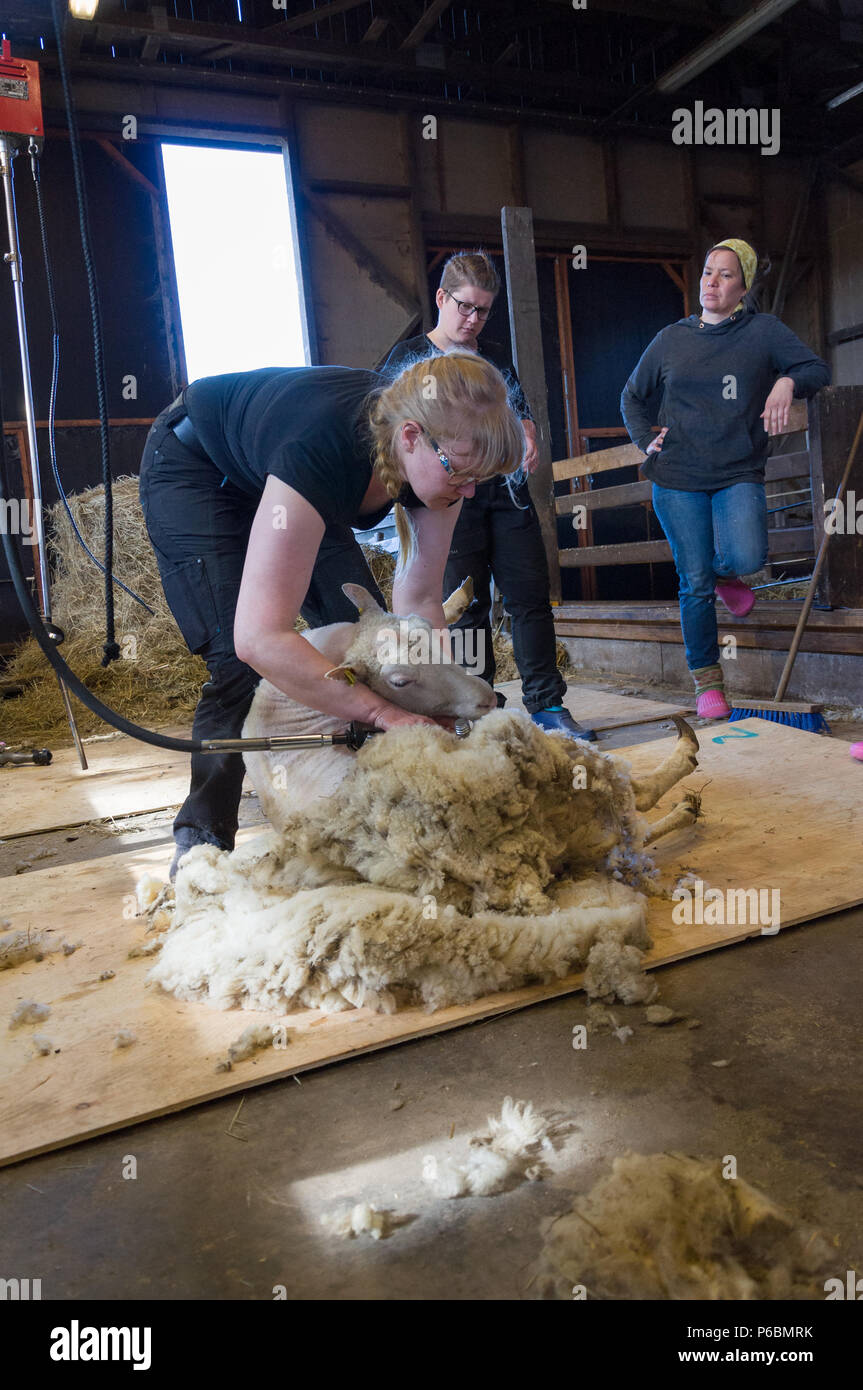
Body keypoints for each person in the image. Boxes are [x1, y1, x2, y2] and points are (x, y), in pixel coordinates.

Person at [139, 354, 525, 875]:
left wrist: (440, 701)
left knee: (368, 640)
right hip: (200, 471)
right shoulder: (323, 447)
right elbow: (261, 637)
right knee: (237, 660)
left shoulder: (445, 462)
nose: (470, 491)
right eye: (461, 474)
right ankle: (201, 841)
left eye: (482, 479)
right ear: (410, 437)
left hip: (290, 480)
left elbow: (418, 604)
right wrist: (383, 713)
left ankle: (375, 816)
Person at [383, 250, 597, 741]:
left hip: (506, 493)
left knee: (529, 597)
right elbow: (389, 430)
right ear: (441, 297)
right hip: (444, 501)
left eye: (483, 310)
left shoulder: (494, 355)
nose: (473, 319)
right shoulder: (409, 358)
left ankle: (547, 704)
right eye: (465, 307)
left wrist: (528, 432)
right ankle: (483, 703)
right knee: (468, 604)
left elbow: (518, 409)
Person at [621, 238, 830, 718]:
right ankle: (708, 683)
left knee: (748, 555)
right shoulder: (671, 338)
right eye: (708, 272)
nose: (711, 282)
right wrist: (642, 439)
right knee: (692, 582)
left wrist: (785, 381)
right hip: (676, 475)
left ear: (744, 286)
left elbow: (815, 367)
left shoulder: (763, 332)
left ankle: (723, 572)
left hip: (737, 469)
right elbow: (632, 395)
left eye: (725, 274)